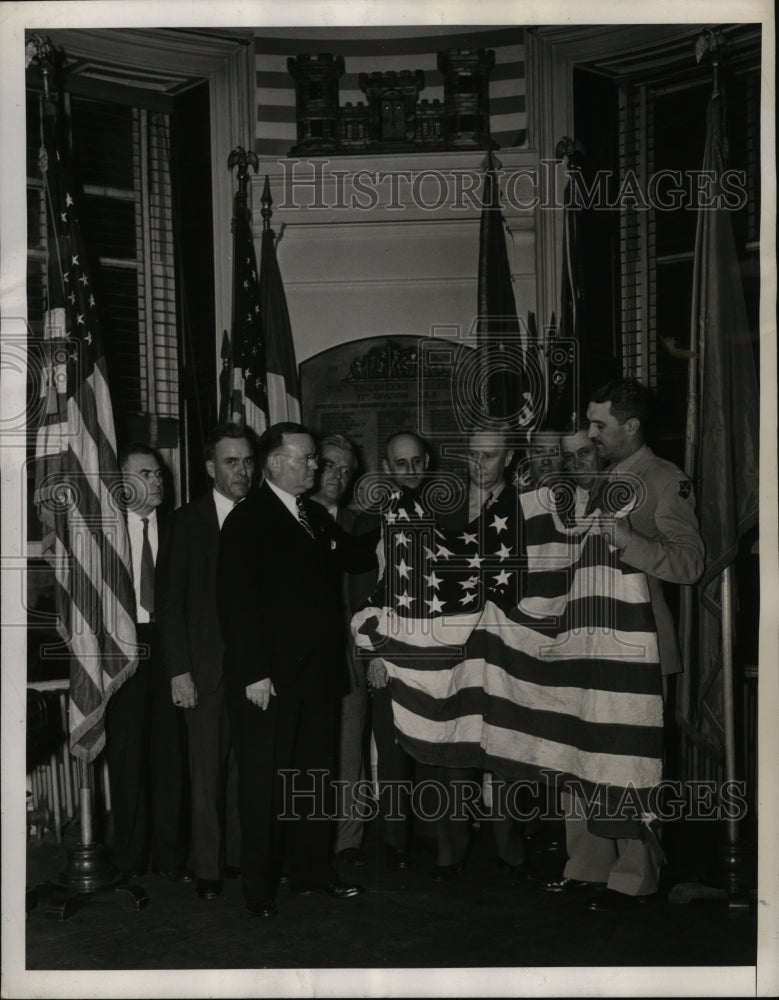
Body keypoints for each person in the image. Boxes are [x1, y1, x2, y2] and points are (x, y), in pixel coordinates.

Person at [542, 382, 704, 911]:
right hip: (588, 646)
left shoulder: (662, 480)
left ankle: (636, 874)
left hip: (639, 650)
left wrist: (629, 542)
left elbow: (690, 563)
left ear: (630, 426)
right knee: (582, 754)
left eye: (599, 426)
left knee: (629, 760)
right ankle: (587, 865)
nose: (590, 434)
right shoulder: (599, 481)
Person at [216, 422, 378, 917]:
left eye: (316, 459)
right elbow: (235, 603)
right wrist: (253, 673)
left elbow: (353, 556)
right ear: (274, 463)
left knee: (314, 777)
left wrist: (398, 519)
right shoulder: (248, 519)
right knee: (265, 783)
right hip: (271, 680)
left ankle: (311, 871)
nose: (316, 466)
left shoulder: (311, 513)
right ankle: (259, 887)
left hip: (318, 676)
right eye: (307, 459)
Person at [156, 423, 254, 900]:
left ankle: (236, 857)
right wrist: (179, 671)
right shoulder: (185, 521)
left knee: (243, 772)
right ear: (211, 466)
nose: (242, 470)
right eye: (232, 461)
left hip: (256, 672)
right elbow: (170, 603)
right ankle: (209, 868)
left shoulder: (265, 517)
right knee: (206, 775)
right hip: (204, 671)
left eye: (248, 461)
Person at [350, 431, 433, 872]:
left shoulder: (449, 515)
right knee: (393, 747)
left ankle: (439, 837)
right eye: (401, 464)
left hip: (438, 652)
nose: (410, 471)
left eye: (417, 461)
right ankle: (396, 840)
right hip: (390, 651)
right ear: (387, 468)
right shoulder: (369, 522)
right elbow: (366, 595)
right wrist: (376, 654)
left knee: (438, 744)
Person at [106, 444, 189, 880]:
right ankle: (129, 859)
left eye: (159, 474)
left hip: (170, 645)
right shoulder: (107, 531)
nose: (157, 481)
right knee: (126, 754)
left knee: (170, 754)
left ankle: (171, 858)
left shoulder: (178, 528)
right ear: (122, 483)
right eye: (146, 474)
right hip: (123, 643)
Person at [307, 434, 367, 866]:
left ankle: (347, 842)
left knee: (349, 750)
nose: (337, 477)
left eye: (346, 470)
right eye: (330, 466)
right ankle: (305, 839)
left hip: (348, 653)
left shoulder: (360, 525)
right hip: (301, 654)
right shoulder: (289, 517)